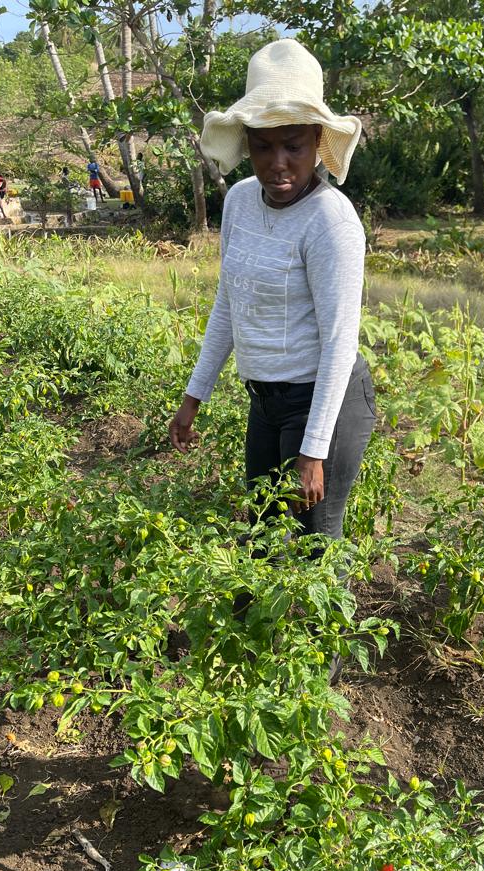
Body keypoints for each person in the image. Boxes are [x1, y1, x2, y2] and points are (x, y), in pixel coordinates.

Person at [169, 39, 373, 551]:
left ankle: (332, 633)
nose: (278, 163)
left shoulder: (331, 222)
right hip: (265, 400)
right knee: (260, 536)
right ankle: (266, 632)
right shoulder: (239, 203)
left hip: (324, 400)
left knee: (313, 544)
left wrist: (313, 451)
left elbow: (339, 343)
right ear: (248, 144)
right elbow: (228, 306)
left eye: (294, 146)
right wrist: (193, 399)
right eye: (263, 146)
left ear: (317, 142)